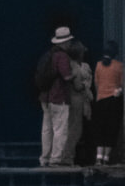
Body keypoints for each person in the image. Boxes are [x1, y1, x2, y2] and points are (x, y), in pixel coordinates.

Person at [36, 26, 75, 167]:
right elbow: (66, 76)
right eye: (69, 41)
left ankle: (44, 158)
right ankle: (56, 158)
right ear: (65, 43)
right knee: (60, 129)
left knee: (46, 129)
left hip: (45, 97)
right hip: (59, 97)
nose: (70, 44)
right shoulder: (62, 56)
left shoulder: (48, 55)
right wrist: (74, 75)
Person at [91, 40, 124, 165]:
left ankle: (98, 157)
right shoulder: (119, 66)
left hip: (100, 100)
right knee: (111, 129)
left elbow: (96, 83)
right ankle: (106, 158)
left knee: (100, 128)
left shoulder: (98, 65)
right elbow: (122, 85)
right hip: (113, 100)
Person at [62, 40, 94, 166]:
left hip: (80, 100)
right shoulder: (73, 66)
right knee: (75, 130)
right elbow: (77, 86)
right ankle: (67, 158)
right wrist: (85, 85)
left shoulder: (83, 66)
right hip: (75, 99)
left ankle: (69, 157)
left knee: (76, 129)